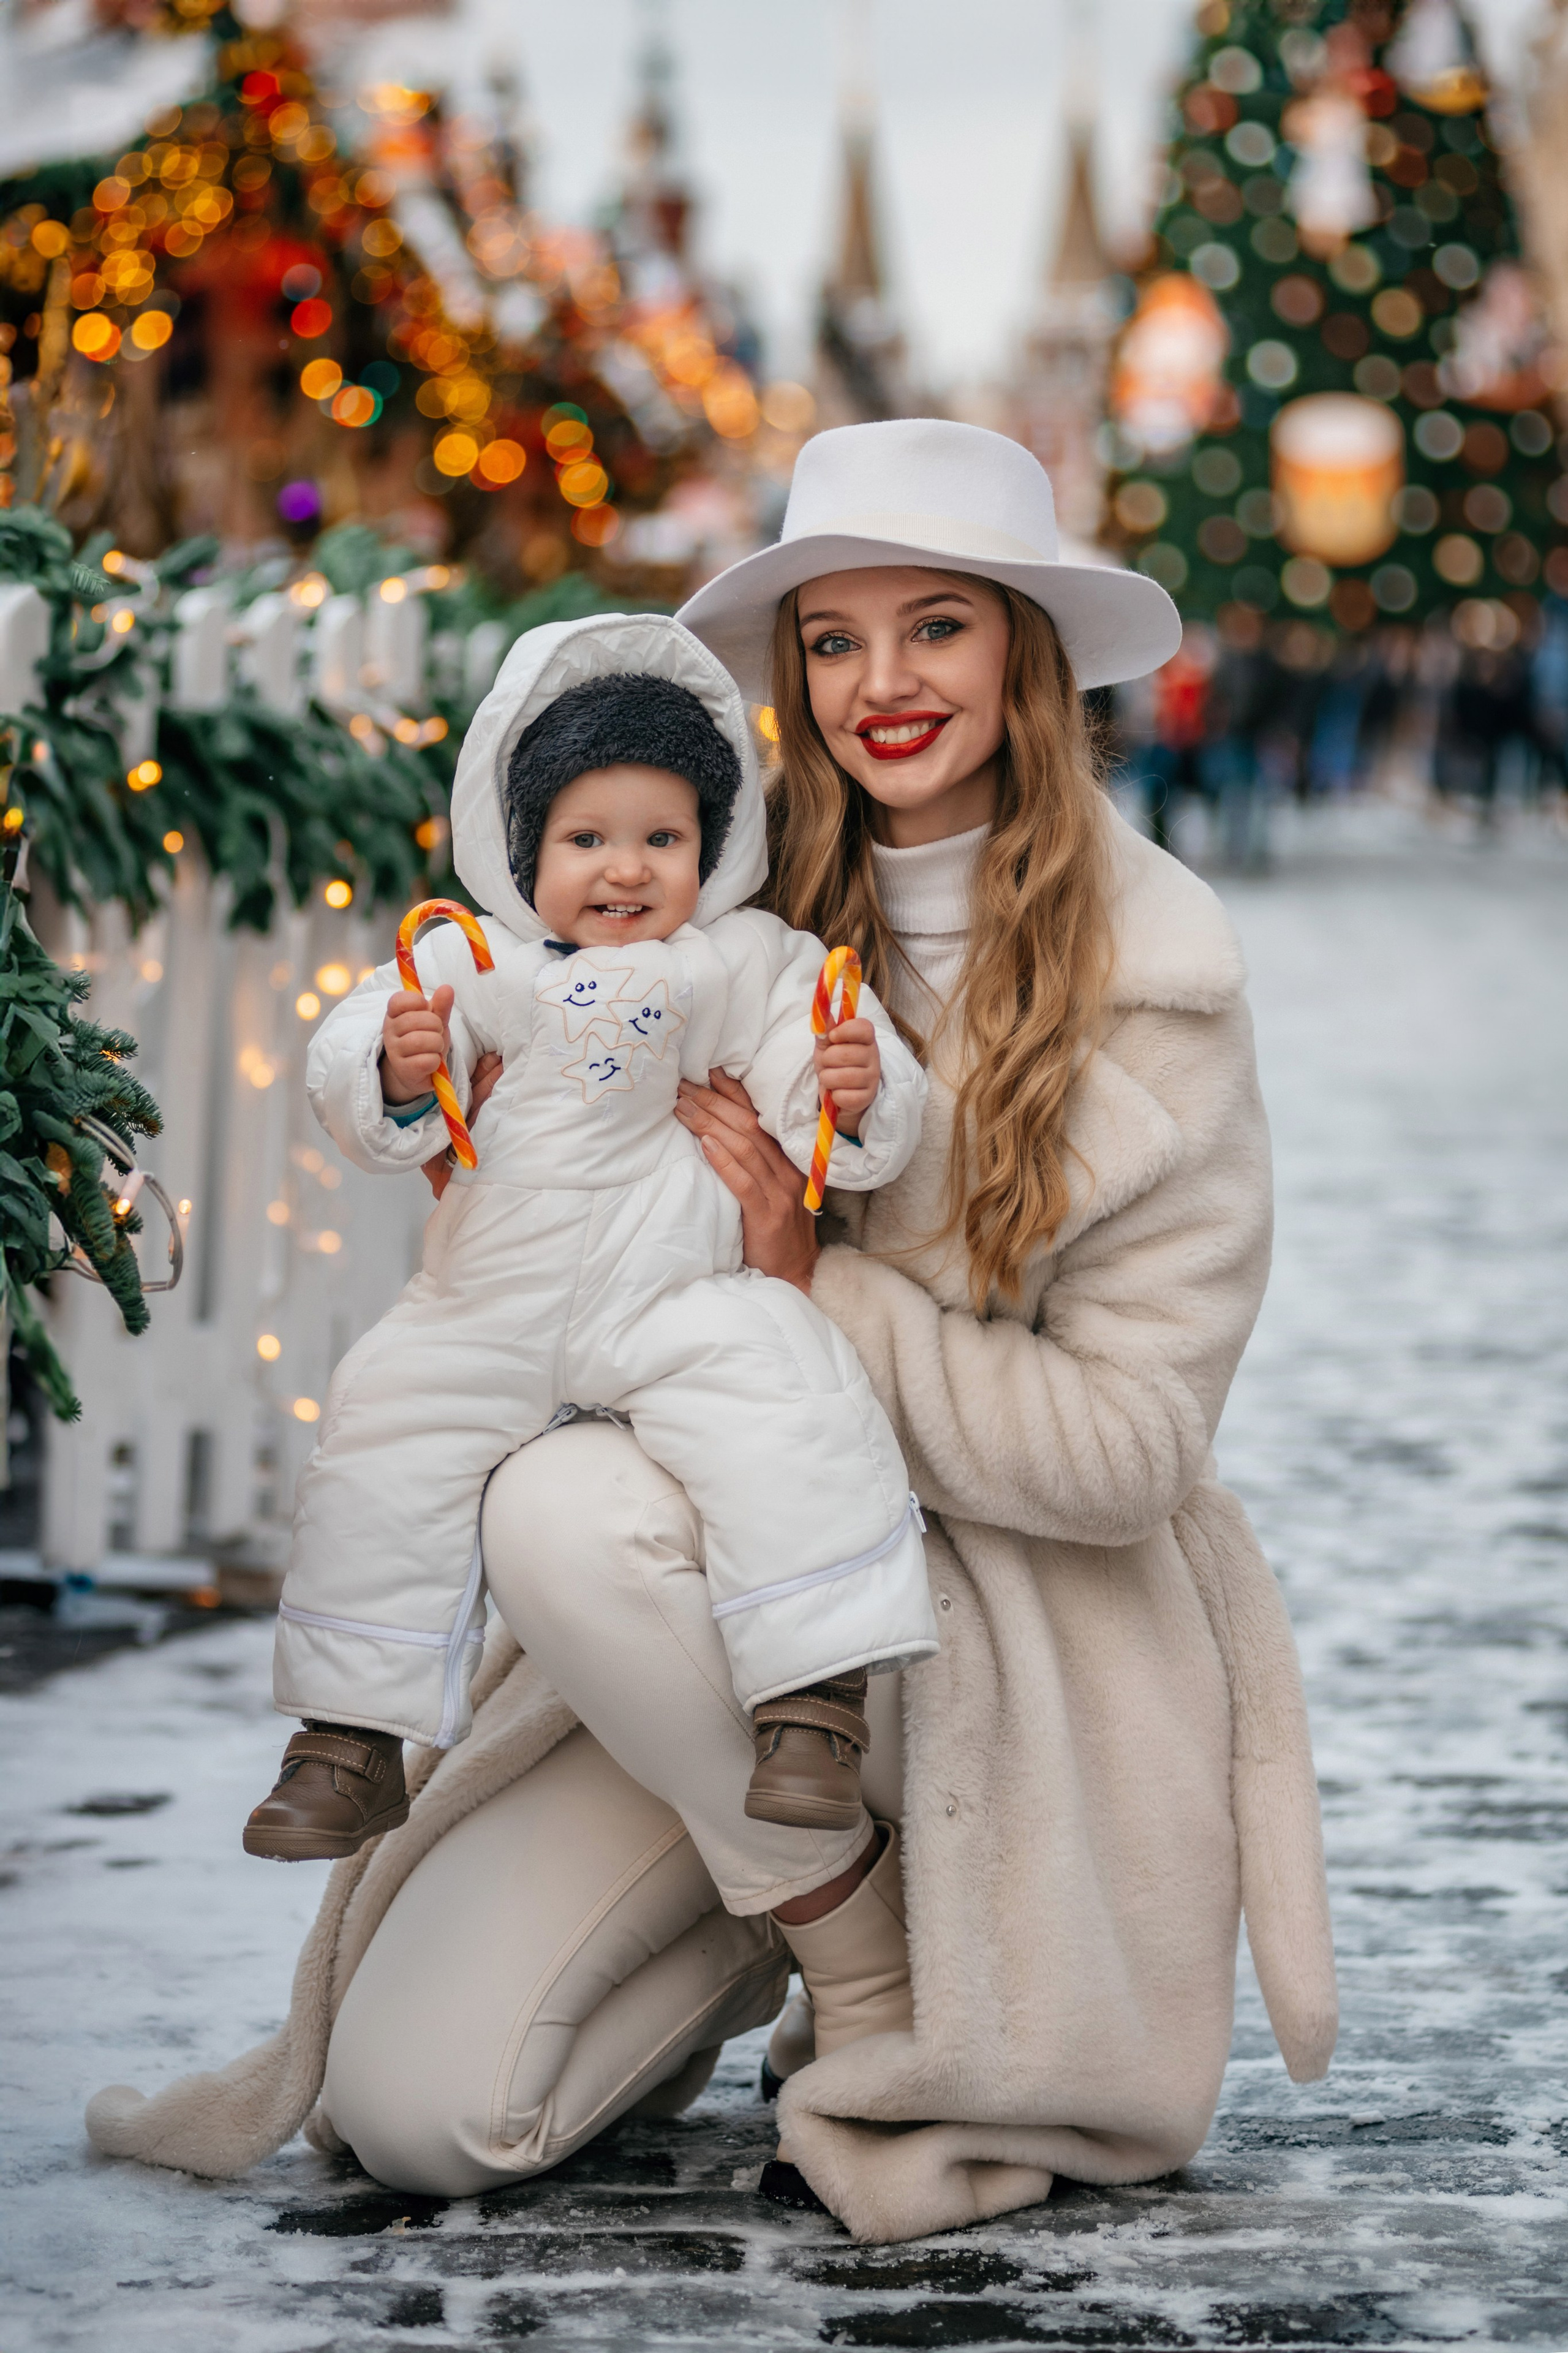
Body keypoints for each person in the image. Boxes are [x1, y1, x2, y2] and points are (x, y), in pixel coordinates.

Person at [89, 420, 1335, 2248]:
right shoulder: (701, 906)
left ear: (1025, 654)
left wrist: (809, 1280)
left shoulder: (1157, 984)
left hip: (1002, 1641)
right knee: (422, 2113)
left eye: (938, 629)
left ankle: (900, 1990)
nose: (883, 686)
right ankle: (835, 1917)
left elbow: (1130, 1455)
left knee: (572, 1509)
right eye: (834, 641)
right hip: (702, 1639)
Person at [242, 625, 935, 1860]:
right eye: (585, 839)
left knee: (786, 1398)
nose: (624, 871)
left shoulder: (740, 961)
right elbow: (363, 1060)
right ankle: (348, 1734)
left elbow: (807, 1057)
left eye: (661, 838)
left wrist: (847, 1089)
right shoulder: (471, 955)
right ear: (524, 849)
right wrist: (402, 1070)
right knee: (385, 1425)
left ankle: (811, 1705)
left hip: (672, 1290)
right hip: (483, 1303)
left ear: (711, 849)